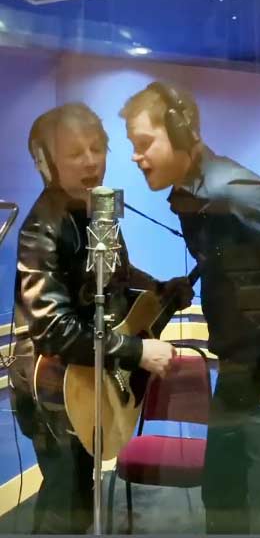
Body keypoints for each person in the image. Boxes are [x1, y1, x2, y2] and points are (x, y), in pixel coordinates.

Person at [120, 82, 260, 533]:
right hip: (234, 372)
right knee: (223, 499)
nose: (137, 157)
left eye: (144, 143)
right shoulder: (192, 197)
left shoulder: (239, 194)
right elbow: (231, 264)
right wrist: (185, 284)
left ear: (180, 131)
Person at [11, 103, 188, 534]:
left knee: (79, 499)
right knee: (64, 504)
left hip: (86, 379)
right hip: (51, 388)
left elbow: (117, 278)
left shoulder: (97, 212)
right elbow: (54, 328)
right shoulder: (42, 229)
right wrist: (136, 351)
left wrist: (162, 291)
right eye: (76, 152)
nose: (92, 161)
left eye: (97, 148)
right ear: (45, 162)